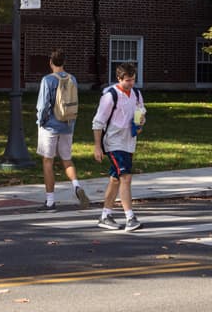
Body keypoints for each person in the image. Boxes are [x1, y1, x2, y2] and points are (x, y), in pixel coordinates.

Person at [91, 61, 145, 232]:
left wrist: (139, 123)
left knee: (115, 180)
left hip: (129, 141)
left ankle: (105, 215)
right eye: (127, 80)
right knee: (125, 177)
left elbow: (140, 112)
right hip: (114, 141)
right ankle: (130, 217)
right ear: (119, 78)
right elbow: (98, 122)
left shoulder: (136, 94)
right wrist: (97, 146)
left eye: (133, 80)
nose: (130, 84)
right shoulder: (110, 96)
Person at [35, 49, 90, 211]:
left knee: (47, 161)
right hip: (68, 124)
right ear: (64, 62)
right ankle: (76, 186)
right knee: (67, 159)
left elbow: (43, 105)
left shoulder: (47, 80)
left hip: (50, 126)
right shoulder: (72, 78)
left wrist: (41, 121)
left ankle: (50, 201)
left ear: (50, 62)